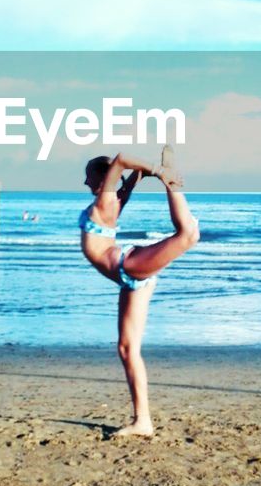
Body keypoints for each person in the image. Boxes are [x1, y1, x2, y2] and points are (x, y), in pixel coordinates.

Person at [79, 145, 200, 437]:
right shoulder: (116, 199)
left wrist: (159, 172)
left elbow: (121, 159)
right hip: (128, 278)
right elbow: (130, 175)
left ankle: (173, 185)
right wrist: (141, 174)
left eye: (88, 177)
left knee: (187, 235)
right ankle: (142, 421)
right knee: (126, 348)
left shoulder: (105, 204)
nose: (85, 183)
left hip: (129, 266)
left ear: (103, 179)